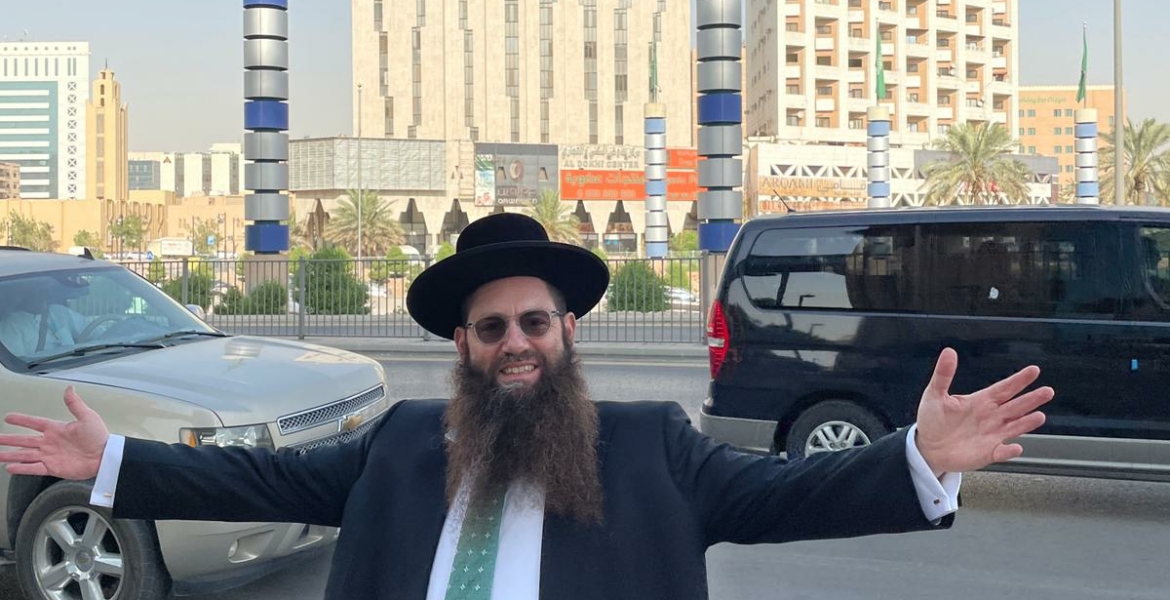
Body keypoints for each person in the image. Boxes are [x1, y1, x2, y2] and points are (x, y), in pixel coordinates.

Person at [0, 213, 1054, 600]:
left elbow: (791, 493)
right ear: (462, 346)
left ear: (568, 333)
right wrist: (111, 462)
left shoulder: (651, 446)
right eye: (493, 327)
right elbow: (259, 479)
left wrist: (919, 455)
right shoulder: (399, 444)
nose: (516, 344)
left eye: (535, 323)